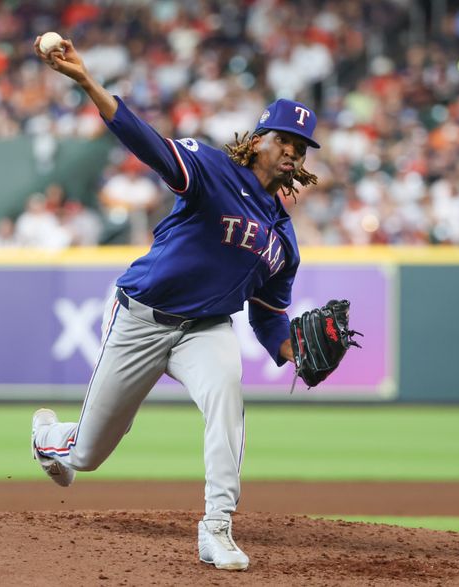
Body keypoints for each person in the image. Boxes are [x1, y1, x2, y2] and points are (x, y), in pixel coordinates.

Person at [30, 35, 320, 572]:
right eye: (285, 138)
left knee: (227, 398)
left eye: (301, 148)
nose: (292, 152)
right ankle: (50, 439)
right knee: (87, 456)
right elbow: (151, 145)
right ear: (257, 140)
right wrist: (89, 83)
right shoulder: (211, 169)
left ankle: (216, 528)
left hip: (205, 330)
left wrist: (292, 351)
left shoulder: (284, 238)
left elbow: (269, 314)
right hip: (141, 316)